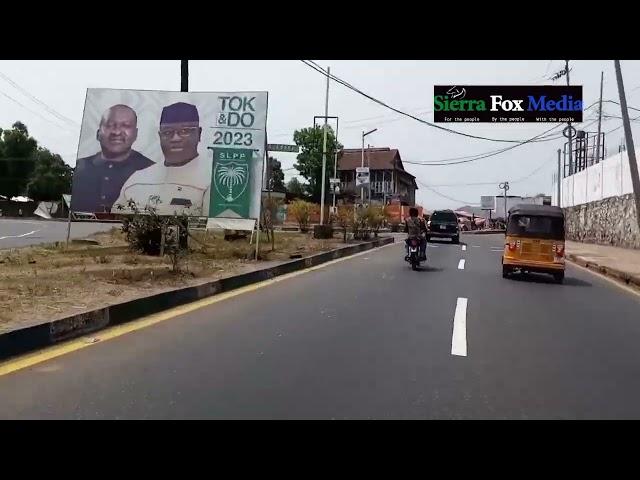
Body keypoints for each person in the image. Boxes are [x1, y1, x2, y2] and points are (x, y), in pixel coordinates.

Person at [114, 102, 211, 216]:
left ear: (199, 134)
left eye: (184, 131)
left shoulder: (213, 179)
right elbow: (114, 226)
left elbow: (217, 230)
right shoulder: (137, 179)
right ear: (160, 136)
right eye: (168, 132)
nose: (175, 138)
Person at [71, 105, 154, 213]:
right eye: (110, 125)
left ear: (136, 134)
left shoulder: (150, 170)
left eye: (126, 126)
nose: (117, 132)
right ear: (98, 133)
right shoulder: (81, 167)